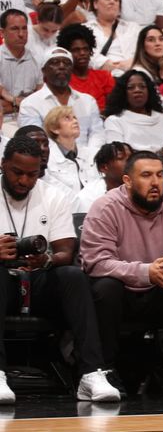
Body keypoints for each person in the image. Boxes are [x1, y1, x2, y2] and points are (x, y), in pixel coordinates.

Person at [0, 135, 122, 405]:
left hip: (38, 281)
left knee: (73, 276)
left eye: (32, 174)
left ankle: (91, 373)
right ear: (2, 164)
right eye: (17, 172)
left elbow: (66, 252)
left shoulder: (53, 195)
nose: (24, 181)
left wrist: (45, 260)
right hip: (3, 284)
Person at [80, 150, 163, 398]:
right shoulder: (105, 207)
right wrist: (146, 272)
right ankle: (105, 369)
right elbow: (96, 262)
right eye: (146, 175)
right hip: (121, 294)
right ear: (127, 181)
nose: (155, 182)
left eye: (159, 175)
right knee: (106, 287)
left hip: (157, 292)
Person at [18, 46, 105, 149]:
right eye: (55, 62)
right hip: (50, 161)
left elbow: (97, 134)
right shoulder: (30, 104)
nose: (62, 66)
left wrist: (89, 158)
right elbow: (35, 141)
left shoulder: (88, 101)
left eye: (67, 63)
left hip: (88, 160)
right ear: (43, 70)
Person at [103, 70, 163, 152]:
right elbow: (118, 153)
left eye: (142, 86)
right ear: (123, 93)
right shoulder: (114, 121)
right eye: (131, 87)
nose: (137, 90)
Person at [56, 23, 116, 113]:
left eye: (86, 49)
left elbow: (114, 107)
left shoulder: (104, 76)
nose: (82, 53)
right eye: (76, 50)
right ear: (66, 53)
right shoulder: (62, 80)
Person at [84, 0, 139, 75]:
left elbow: (143, 52)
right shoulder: (85, 29)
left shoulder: (133, 28)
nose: (112, 2)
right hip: (104, 77)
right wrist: (106, 64)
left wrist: (133, 62)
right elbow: (86, 55)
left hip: (135, 76)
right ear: (95, 4)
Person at [42, 105, 99, 195]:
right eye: (67, 118)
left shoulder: (93, 154)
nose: (75, 121)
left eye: (75, 118)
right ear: (54, 129)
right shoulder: (48, 159)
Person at [0, 8, 42, 114]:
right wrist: (16, 101)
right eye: (14, 29)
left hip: (30, 116)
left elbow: (40, 95)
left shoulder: (36, 58)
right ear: (2, 32)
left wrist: (13, 104)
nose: (21, 34)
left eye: (24, 28)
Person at [75, 140, 132, 213]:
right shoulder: (87, 198)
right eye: (121, 158)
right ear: (104, 167)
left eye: (131, 157)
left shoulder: (143, 189)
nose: (130, 162)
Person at [27, 0, 63, 68]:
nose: (49, 34)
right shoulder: (26, 35)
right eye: (45, 29)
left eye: (54, 31)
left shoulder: (59, 37)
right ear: (37, 20)